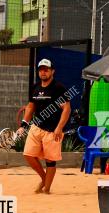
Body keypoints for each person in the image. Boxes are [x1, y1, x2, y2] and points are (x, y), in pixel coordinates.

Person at [17, 59, 70, 194]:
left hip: (52, 131)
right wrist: (24, 124)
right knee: (28, 154)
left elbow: (66, 109)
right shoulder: (35, 87)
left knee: (50, 161)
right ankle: (44, 177)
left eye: (46, 69)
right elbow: (30, 107)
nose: (43, 72)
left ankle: (47, 189)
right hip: (36, 127)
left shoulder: (58, 87)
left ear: (52, 71)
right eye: (41, 69)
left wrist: (59, 128)